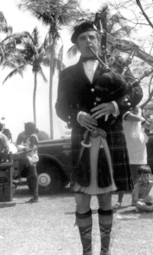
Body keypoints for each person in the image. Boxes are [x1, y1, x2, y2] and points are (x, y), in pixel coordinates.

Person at [55, 20, 142, 255]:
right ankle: (87, 252)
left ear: (99, 41)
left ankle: (104, 251)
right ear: (77, 44)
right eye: (83, 38)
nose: (88, 41)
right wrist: (77, 115)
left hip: (111, 138)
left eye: (92, 37)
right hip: (81, 140)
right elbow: (60, 107)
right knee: (81, 200)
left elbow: (136, 91)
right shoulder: (67, 74)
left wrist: (115, 105)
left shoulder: (117, 68)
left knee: (105, 198)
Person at [17, 123, 39, 203]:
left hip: (32, 158)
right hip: (30, 157)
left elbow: (31, 149)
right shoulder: (31, 136)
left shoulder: (33, 137)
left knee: (33, 176)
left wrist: (23, 150)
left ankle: (35, 196)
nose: (25, 130)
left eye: (26, 128)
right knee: (32, 176)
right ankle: (35, 196)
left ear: (30, 129)